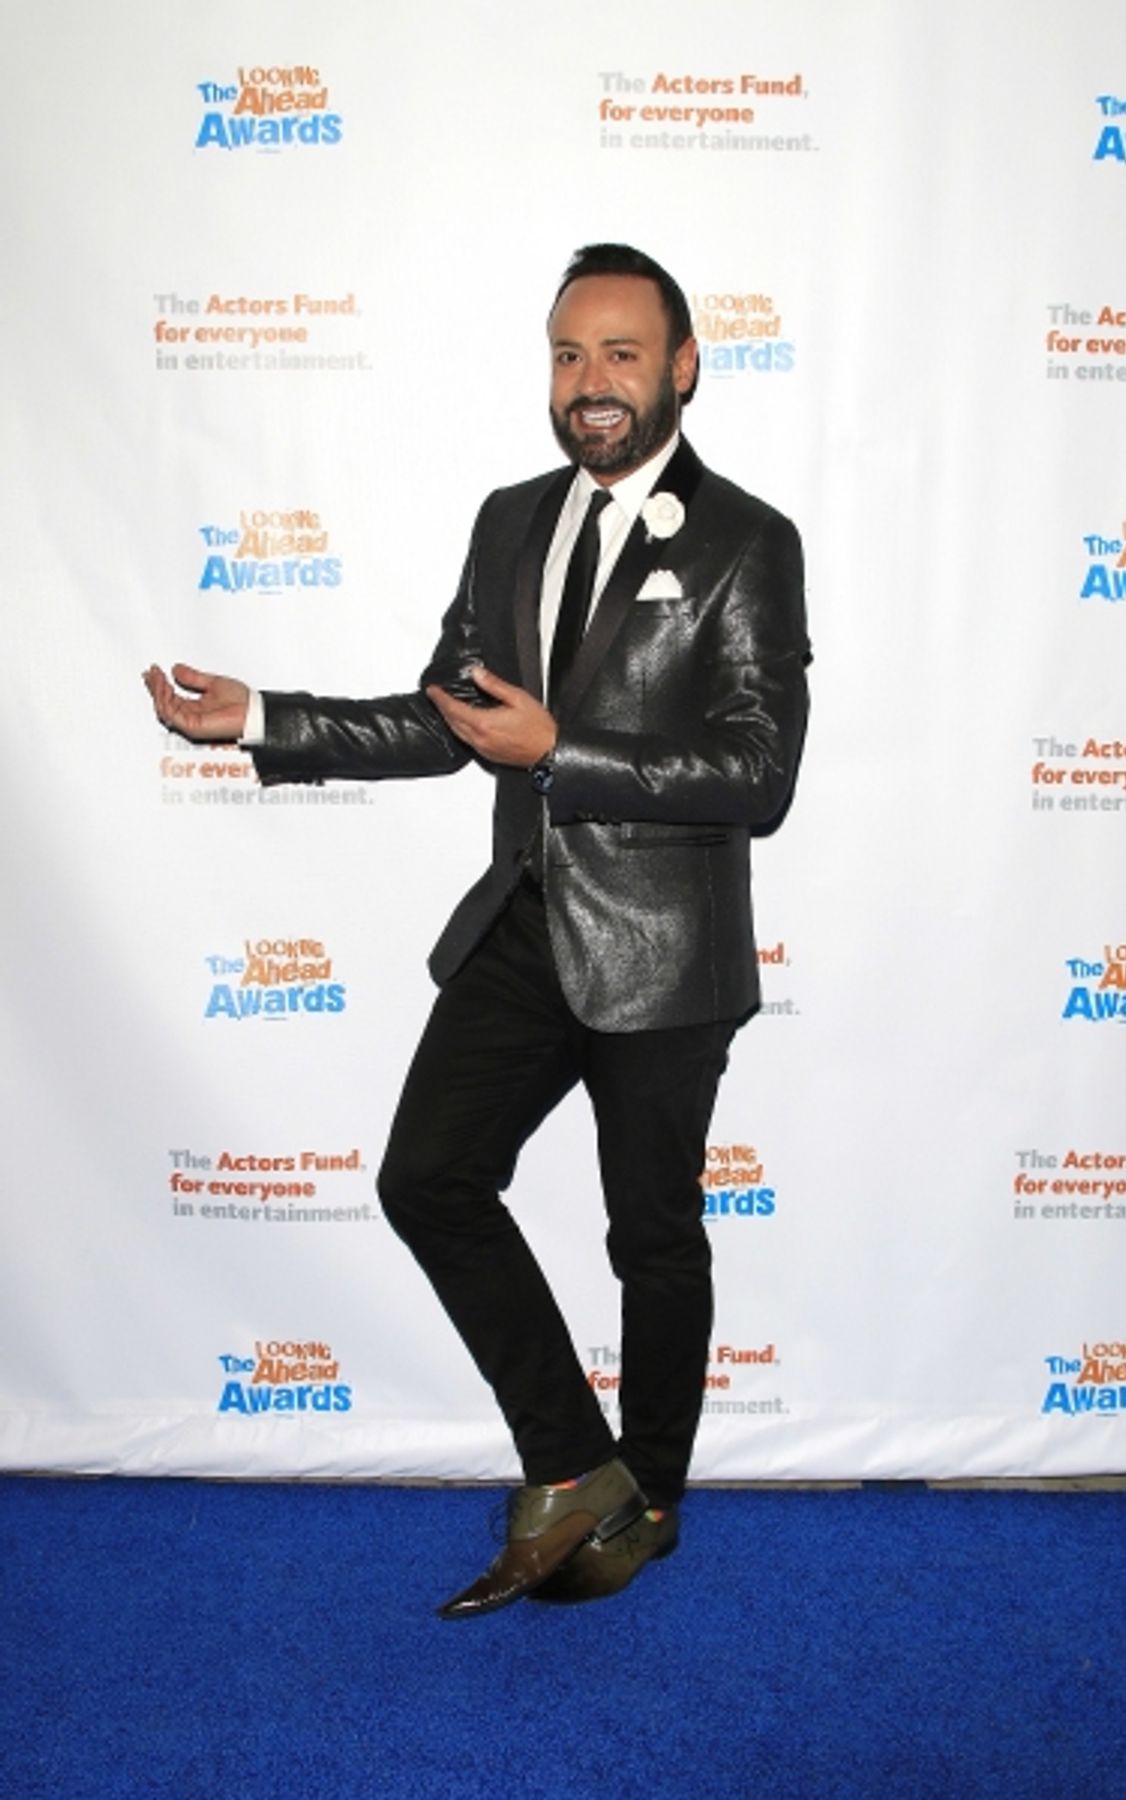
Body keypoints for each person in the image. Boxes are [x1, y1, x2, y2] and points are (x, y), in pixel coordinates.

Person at [145, 243, 810, 1618]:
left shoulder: (749, 541)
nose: (593, 384)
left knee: (655, 1239)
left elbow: (760, 775)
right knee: (427, 1177)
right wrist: (268, 719)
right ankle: (575, 1468)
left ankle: (655, 1504)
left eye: (623, 354)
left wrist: (566, 747)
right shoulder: (511, 518)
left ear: (683, 366)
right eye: (569, 355)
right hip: (524, 924)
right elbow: (443, 722)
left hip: (666, 948)